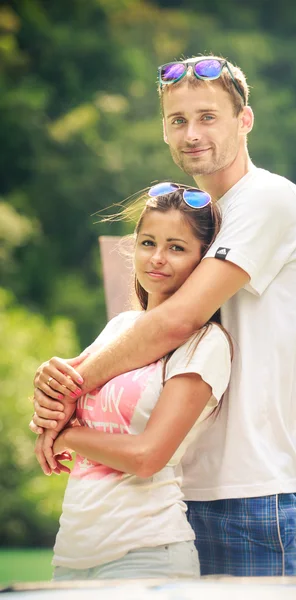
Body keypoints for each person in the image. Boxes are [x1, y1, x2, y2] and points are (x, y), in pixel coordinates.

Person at [32, 55, 296, 576]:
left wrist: (65, 391)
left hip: (245, 490)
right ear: (164, 128)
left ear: (245, 120)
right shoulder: (186, 221)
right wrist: (62, 380)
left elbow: (174, 322)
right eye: (178, 120)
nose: (192, 134)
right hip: (164, 494)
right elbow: (137, 334)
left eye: (208, 117)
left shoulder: (269, 199)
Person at [35, 185, 232, 580]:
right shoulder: (120, 328)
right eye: (147, 243)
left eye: (176, 248)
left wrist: (64, 436)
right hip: (72, 554)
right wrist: (46, 381)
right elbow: (67, 395)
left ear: (202, 261)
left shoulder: (206, 344)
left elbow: (147, 456)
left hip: (146, 554)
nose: (157, 258)